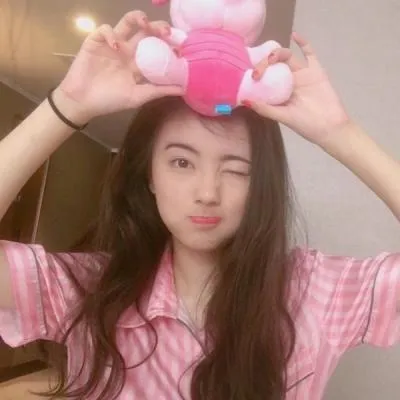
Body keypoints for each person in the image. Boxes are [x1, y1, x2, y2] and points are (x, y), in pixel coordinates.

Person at [0, 9, 399, 400]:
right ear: (149, 175)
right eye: (182, 163)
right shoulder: (89, 290)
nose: (208, 192)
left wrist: (340, 133)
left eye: (236, 169)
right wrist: (69, 104)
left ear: (260, 183)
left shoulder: (311, 292)